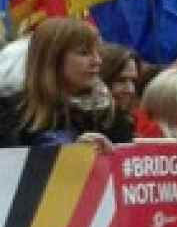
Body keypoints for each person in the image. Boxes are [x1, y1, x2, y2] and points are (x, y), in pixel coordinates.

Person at [0, 18, 125, 149]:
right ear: (52, 58)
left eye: (98, 53)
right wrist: (68, 158)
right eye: (84, 53)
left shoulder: (110, 113)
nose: (97, 61)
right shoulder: (11, 112)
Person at [99, 43, 141, 143]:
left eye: (133, 81)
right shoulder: (74, 124)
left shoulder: (126, 123)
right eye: (120, 80)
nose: (130, 90)